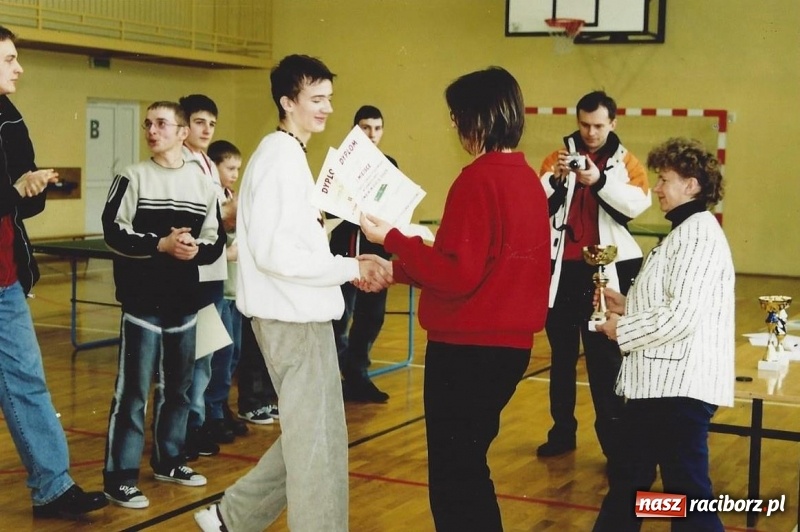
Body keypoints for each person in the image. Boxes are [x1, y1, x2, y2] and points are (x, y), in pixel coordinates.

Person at [193, 54, 390, 531]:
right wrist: (350, 266)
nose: (325, 108)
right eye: (315, 99)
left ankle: (231, 517)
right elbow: (280, 255)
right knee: (316, 445)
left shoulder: (287, 154)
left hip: (299, 318)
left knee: (313, 434)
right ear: (287, 101)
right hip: (291, 321)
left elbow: (290, 243)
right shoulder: (280, 157)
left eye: (328, 99)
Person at [360, 67, 551, 532]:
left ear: (478, 117)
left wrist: (394, 241)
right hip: (508, 350)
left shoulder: (476, 180)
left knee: (454, 476)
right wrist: (399, 270)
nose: (453, 125)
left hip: (466, 351)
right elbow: (475, 264)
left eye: (456, 115)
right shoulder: (528, 180)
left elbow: (456, 272)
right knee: (468, 466)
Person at [592, 138, 734, 531]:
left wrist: (622, 328)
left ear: (692, 185)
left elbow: (681, 317)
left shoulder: (699, 235)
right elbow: (672, 304)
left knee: (685, 494)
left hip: (678, 391)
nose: (656, 188)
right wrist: (626, 304)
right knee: (632, 485)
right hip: (659, 388)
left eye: (664, 179)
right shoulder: (684, 232)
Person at [0, 24, 108, 520]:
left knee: (27, 380)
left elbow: (24, 200)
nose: (18, 68)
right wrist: (14, 191)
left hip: (6, 280)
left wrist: (34, 187)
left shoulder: (10, 116)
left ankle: (53, 486)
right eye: (9, 59)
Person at [101, 101, 225, 509]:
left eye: (161, 124)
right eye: (147, 125)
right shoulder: (132, 176)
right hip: (141, 303)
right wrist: (160, 244)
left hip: (184, 303)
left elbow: (215, 239)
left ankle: (169, 460)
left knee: (179, 388)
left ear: (181, 133)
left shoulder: (203, 184)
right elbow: (113, 230)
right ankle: (119, 477)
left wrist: (193, 248)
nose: (152, 131)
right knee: (133, 392)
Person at [536, 90, 650, 462]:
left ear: (613, 123)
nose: (590, 132)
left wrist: (598, 180)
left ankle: (614, 446)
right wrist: (555, 181)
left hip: (604, 274)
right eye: (584, 124)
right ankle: (561, 431)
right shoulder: (556, 158)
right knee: (562, 358)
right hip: (562, 273)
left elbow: (636, 204)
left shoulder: (627, 162)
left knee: (604, 362)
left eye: (599, 125)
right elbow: (537, 207)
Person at [330, 104, 397, 403]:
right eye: (365, 127)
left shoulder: (390, 164)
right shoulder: (338, 165)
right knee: (338, 318)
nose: (372, 134)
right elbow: (329, 208)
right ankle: (337, 377)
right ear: (355, 130)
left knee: (372, 318)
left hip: (376, 255)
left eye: (377, 128)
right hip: (343, 255)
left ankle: (358, 375)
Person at [204, 139, 272, 432]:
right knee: (217, 357)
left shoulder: (232, 195)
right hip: (220, 289)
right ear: (213, 166)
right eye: (229, 168)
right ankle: (211, 412)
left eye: (238, 169)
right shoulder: (212, 199)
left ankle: (221, 408)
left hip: (235, 291)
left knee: (231, 356)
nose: (234, 173)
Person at [179, 94, 230, 456]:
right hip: (190, 275)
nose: (206, 129)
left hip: (212, 272)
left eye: (211, 123)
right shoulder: (181, 164)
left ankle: (195, 422)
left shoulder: (209, 165)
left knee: (206, 353)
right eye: (200, 122)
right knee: (188, 356)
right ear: (184, 126)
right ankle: (182, 427)